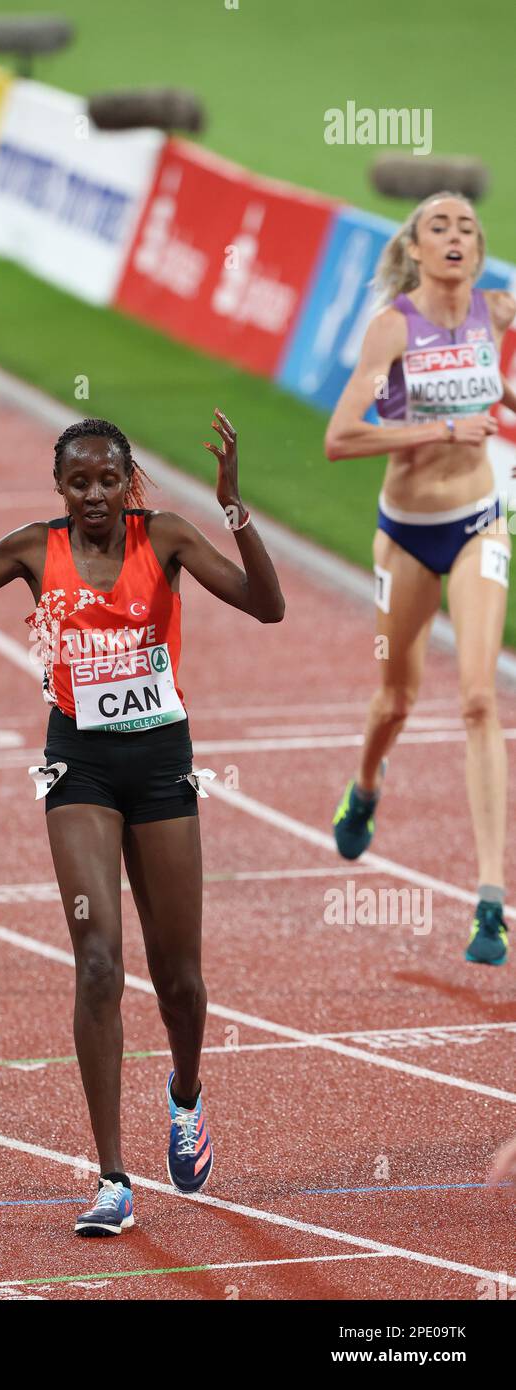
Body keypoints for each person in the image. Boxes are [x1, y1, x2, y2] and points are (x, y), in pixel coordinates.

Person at [0, 407, 284, 1235]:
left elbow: (267, 607)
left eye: (109, 479)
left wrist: (235, 508)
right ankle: (112, 1176)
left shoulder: (166, 536)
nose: (96, 494)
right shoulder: (36, 548)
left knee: (179, 979)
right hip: (81, 764)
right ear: (60, 488)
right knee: (99, 961)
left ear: (128, 481)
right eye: (80, 482)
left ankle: (184, 1094)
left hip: (162, 764)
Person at [325, 192, 516, 966]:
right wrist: (441, 427)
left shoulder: (496, 314)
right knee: (397, 698)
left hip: (479, 524)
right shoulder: (392, 328)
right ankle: (366, 782)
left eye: (467, 228)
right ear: (417, 246)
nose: (456, 237)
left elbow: (490, 388)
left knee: (478, 697)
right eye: (440, 227)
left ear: (477, 249)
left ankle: (491, 900)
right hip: (404, 537)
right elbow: (341, 437)